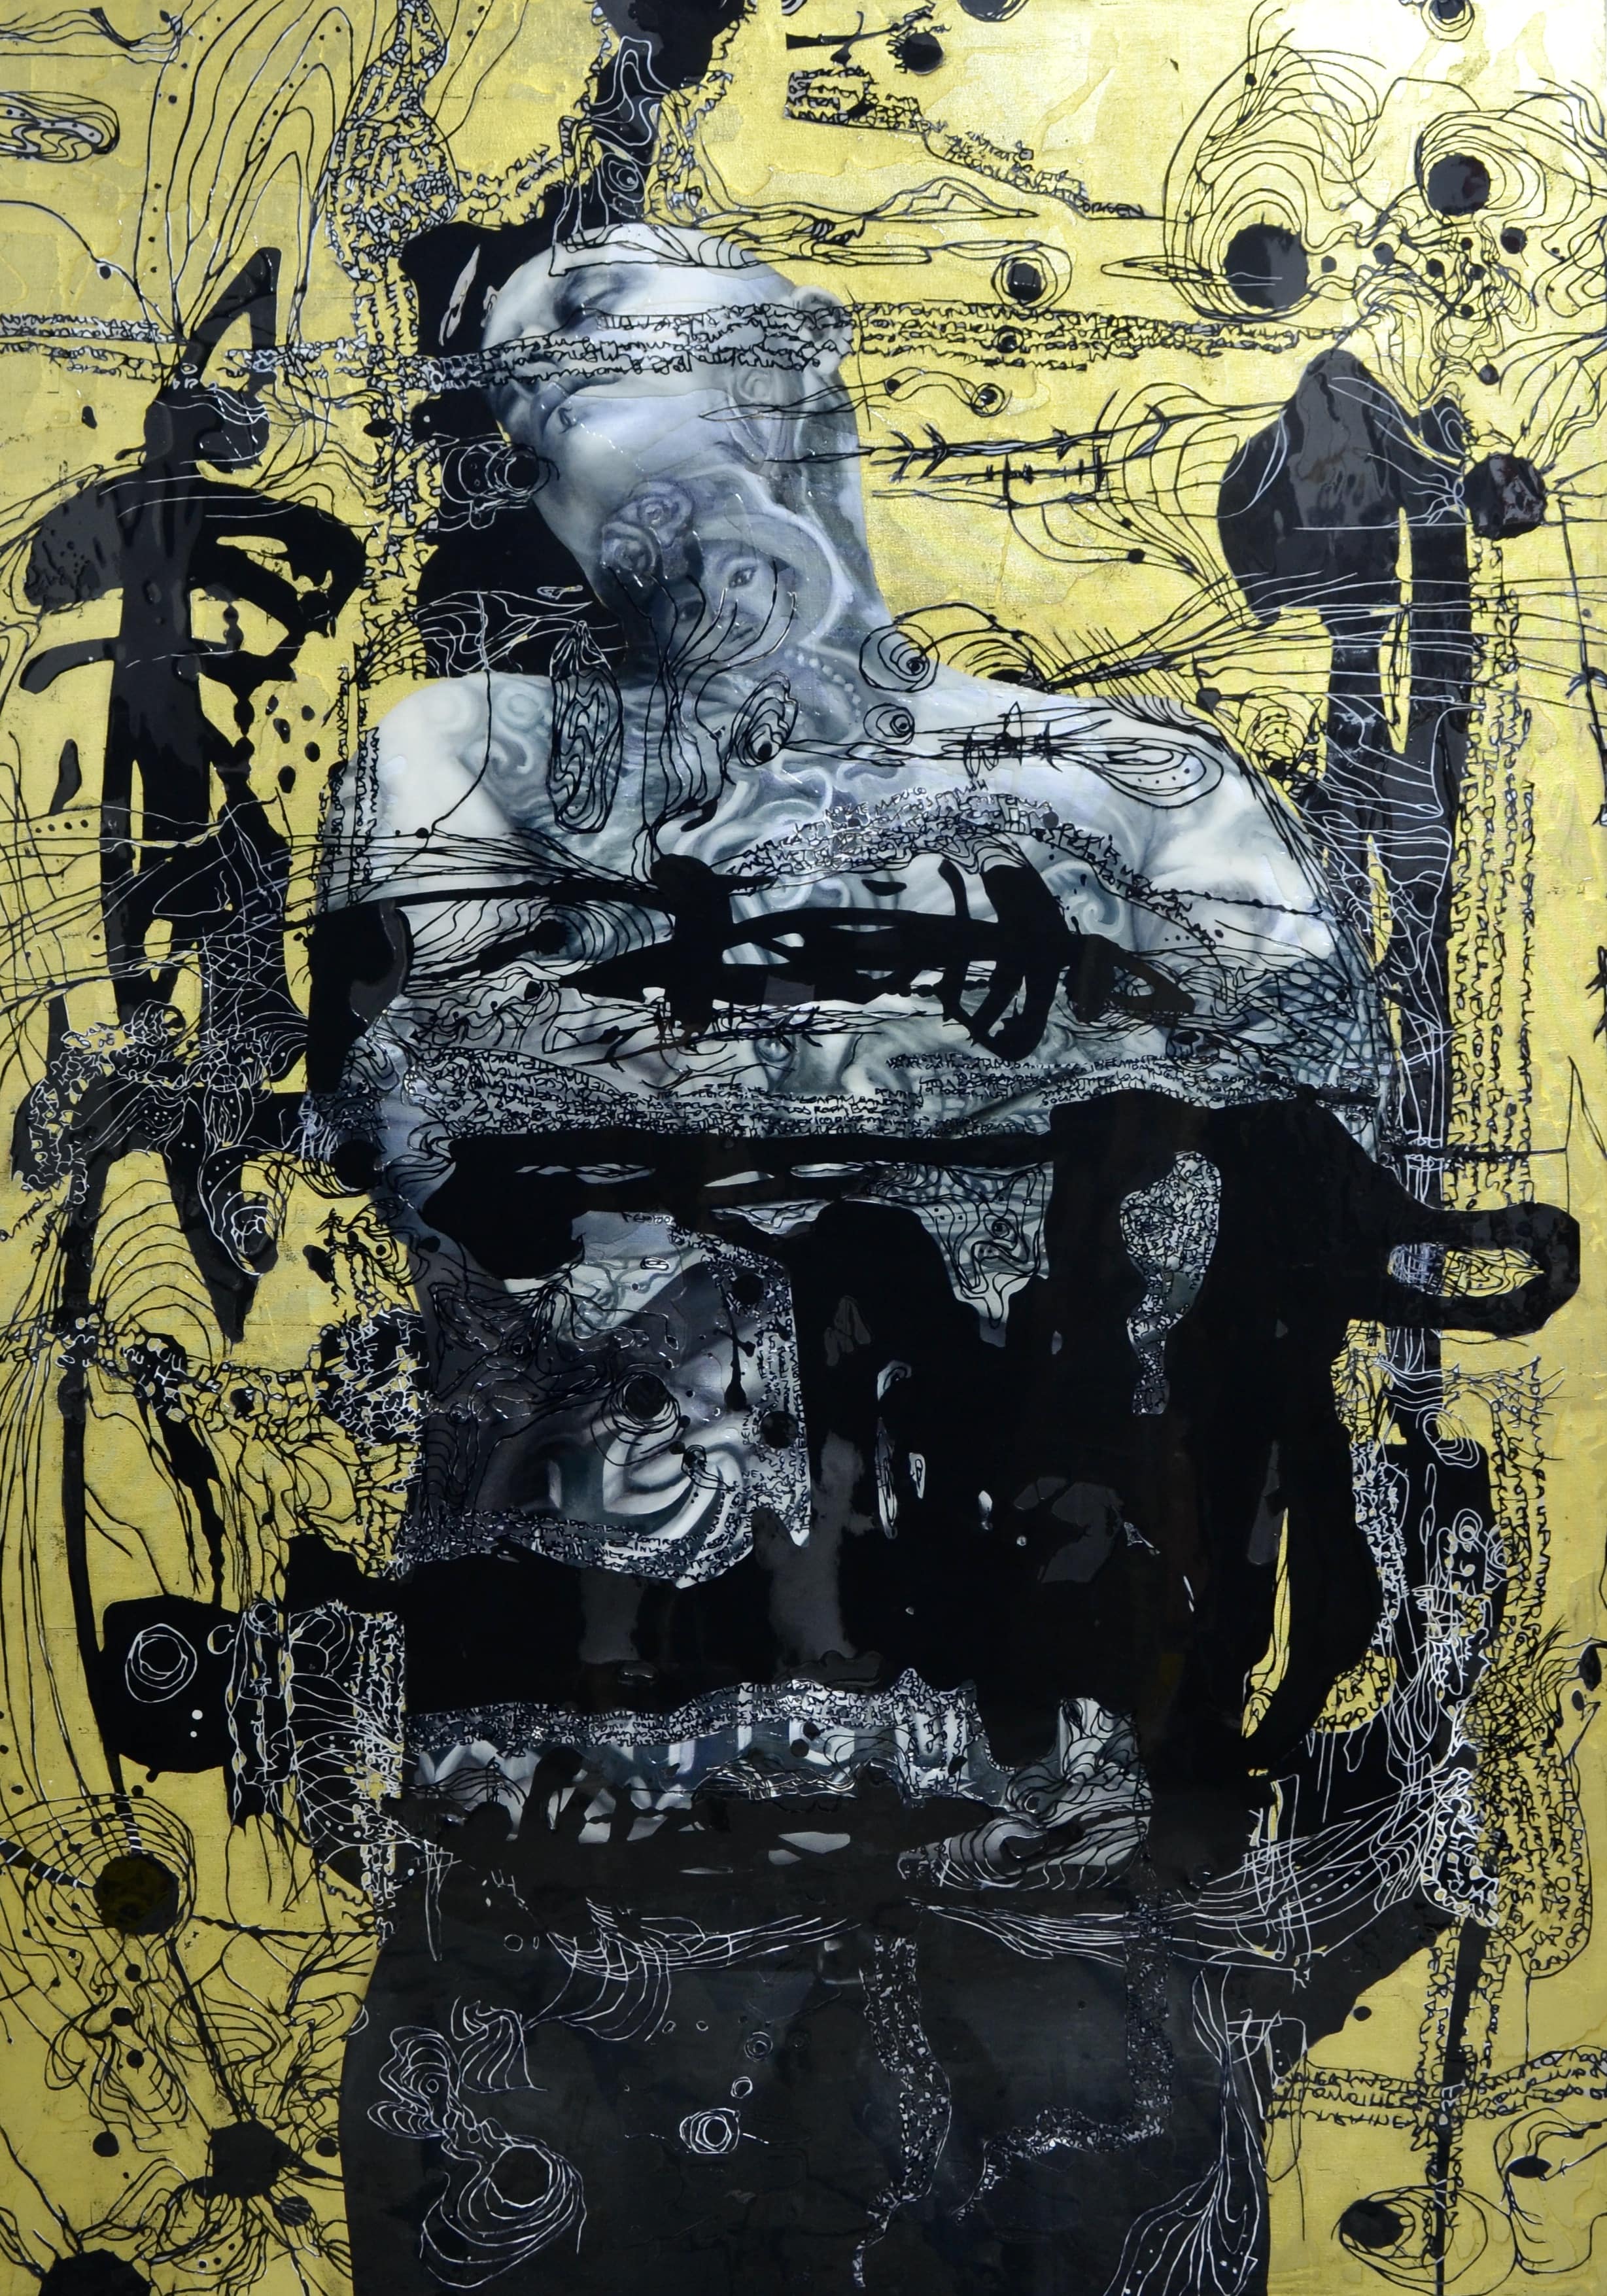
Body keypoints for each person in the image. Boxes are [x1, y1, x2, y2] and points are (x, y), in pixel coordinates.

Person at [314, 224, 1574, 2296]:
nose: (634, 518)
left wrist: (714, 1060)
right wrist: (1049, 1058)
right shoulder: (470, 760)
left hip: (1059, 1816)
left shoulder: (1132, 783)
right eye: (562, 454)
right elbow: (446, 1101)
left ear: (803, 414)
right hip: (584, 1805)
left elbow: (1301, 1141)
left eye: (671, 437)